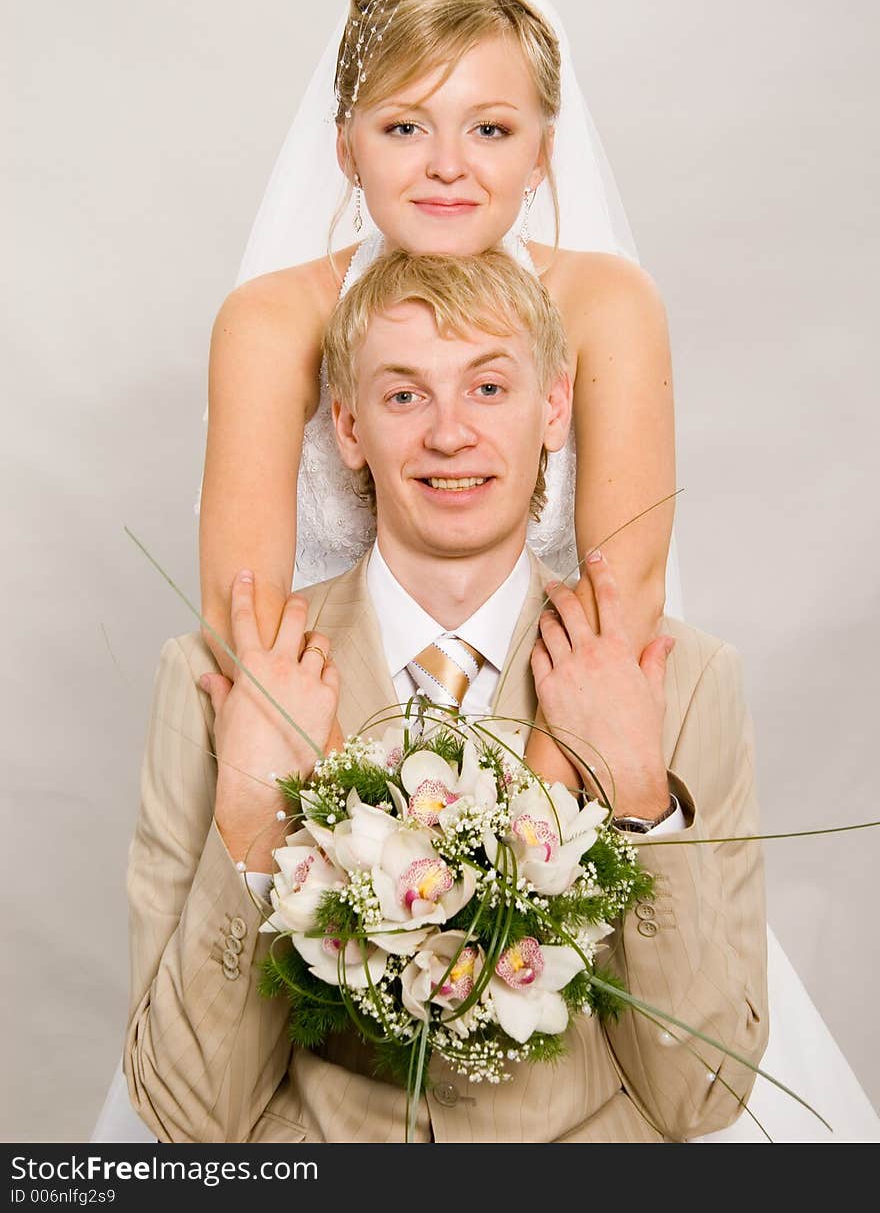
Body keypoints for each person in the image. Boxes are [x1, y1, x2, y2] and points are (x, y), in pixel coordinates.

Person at [124, 248, 768, 1142]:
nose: (449, 433)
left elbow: (702, 1095)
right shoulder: (217, 683)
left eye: (489, 389)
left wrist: (639, 799)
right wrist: (248, 815)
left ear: (554, 409)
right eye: (403, 395)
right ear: (347, 427)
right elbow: (187, 1116)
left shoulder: (684, 681)